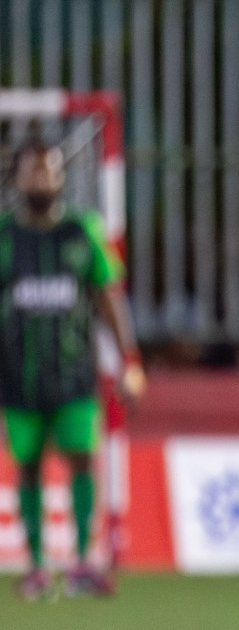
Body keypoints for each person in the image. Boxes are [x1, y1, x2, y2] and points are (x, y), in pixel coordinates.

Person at [2, 142, 143, 599]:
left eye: (48, 171)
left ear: (61, 177)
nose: (40, 180)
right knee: (27, 466)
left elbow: (108, 296)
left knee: (82, 457)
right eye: (31, 172)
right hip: (17, 375)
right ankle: (37, 566)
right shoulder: (4, 236)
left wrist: (130, 360)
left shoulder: (83, 231)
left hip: (75, 373)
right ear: (17, 177)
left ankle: (84, 560)